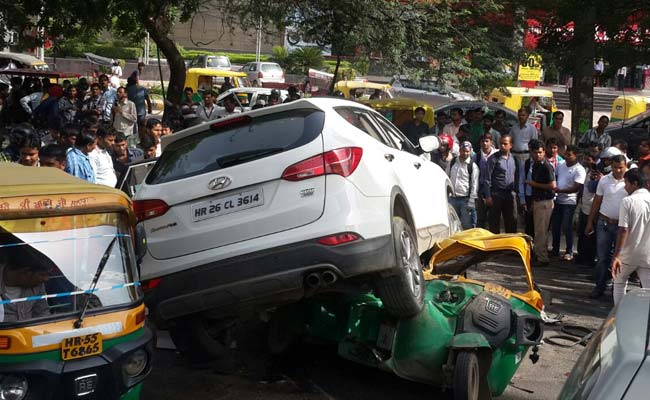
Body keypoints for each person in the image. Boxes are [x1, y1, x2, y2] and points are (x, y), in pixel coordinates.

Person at [586, 154, 628, 299]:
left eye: (620, 168)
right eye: (615, 168)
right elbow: (597, 201)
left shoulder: (629, 182)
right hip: (603, 223)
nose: (617, 171)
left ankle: (615, 289)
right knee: (602, 257)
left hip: (622, 226)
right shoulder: (604, 180)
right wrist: (590, 221)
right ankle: (600, 286)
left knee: (618, 258)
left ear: (626, 166)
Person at [611, 168, 650, 305]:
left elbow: (623, 230)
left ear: (634, 183)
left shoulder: (628, 201)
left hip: (628, 253)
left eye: (626, 183)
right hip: (647, 255)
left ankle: (618, 316)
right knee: (647, 290)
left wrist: (616, 255)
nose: (625, 186)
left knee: (619, 282)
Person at [0, 231, 51, 322]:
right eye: (42, 275)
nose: (46, 279)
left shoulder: (37, 285)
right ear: (24, 273)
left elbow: (43, 313)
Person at [551, 146, 586, 261]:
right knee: (555, 226)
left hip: (569, 202)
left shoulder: (579, 169)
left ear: (576, 156)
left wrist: (561, 190)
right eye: (566, 154)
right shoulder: (561, 165)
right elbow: (555, 176)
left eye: (569, 155)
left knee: (567, 227)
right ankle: (555, 250)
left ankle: (569, 251)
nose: (566, 156)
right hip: (558, 200)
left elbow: (576, 188)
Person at [526, 139, 556, 266]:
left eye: (540, 152)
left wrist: (535, 184)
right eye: (535, 152)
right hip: (538, 201)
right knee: (538, 231)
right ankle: (540, 255)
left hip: (545, 201)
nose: (537, 155)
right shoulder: (535, 165)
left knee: (541, 232)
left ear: (544, 152)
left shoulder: (546, 166)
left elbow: (552, 185)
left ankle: (542, 258)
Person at [484, 135, 520, 234]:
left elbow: (517, 177)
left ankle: (510, 246)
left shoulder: (514, 159)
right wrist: (488, 196)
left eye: (505, 144)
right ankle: (495, 247)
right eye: (501, 143)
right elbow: (487, 178)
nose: (502, 146)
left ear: (511, 145)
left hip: (510, 194)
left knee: (511, 221)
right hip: (496, 194)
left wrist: (517, 194)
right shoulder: (493, 158)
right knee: (494, 223)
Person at [448, 141, 480, 229]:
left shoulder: (472, 166)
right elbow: (447, 177)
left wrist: (471, 202)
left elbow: (474, 185)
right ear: (460, 150)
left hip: (465, 200)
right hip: (452, 199)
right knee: (452, 226)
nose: (466, 153)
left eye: (468, 151)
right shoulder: (453, 162)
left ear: (470, 151)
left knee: (467, 226)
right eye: (464, 151)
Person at [576, 153, 600, 267]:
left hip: (592, 208)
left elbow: (592, 189)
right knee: (582, 234)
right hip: (584, 206)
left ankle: (589, 259)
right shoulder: (586, 171)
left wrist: (595, 179)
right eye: (585, 158)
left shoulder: (597, 174)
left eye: (588, 159)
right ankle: (581, 256)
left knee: (590, 235)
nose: (586, 160)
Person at [475, 133, 498, 229]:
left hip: (494, 189)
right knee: (481, 217)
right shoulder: (477, 156)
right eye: (483, 141)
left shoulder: (497, 154)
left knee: (494, 217)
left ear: (491, 142)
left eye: (487, 141)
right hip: (481, 189)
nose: (485, 143)